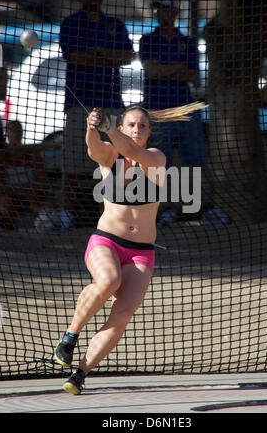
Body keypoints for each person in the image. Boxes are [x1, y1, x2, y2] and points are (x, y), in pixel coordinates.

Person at [54, 101, 204, 394]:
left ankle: (80, 373)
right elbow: (93, 149)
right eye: (131, 125)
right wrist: (92, 128)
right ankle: (69, 337)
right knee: (109, 280)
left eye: (142, 126)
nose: (137, 130)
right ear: (122, 128)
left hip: (141, 250)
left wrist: (108, 127)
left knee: (121, 315)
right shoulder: (110, 156)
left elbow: (133, 152)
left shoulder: (155, 158)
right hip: (106, 241)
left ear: (149, 132)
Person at [59, 0, 134, 227]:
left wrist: (99, 53)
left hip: (111, 102)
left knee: (118, 161)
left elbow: (126, 56)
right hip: (80, 103)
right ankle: (65, 214)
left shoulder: (115, 25)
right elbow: (76, 58)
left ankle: (119, 214)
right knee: (73, 164)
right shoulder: (71, 24)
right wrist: (106, 57)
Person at [138, 0, 207, 224]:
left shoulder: (187, 42)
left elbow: (194, 76)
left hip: (186, 110)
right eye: (158, 9)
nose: (162, 14)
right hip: (157, 112)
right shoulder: (148, 40)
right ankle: (161, 210)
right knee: (158, 163)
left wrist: (164, 68)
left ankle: (193, 209)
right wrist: (176, 68)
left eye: (167, 9)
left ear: (176, 12)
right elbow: (150, 71)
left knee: (194, 161)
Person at [0, 120, 58, 230]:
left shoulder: (32, 154)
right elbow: (0, 182)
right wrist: (17, 192)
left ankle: (48, 228)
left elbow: (43, 180)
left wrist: (34, 192)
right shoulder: (2, 156)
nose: (16, 133)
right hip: (11, 194)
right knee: (5, 205)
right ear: (7, 133)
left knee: (51, 204)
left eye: (18, 130)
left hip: (32, 193)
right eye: (12, 130)